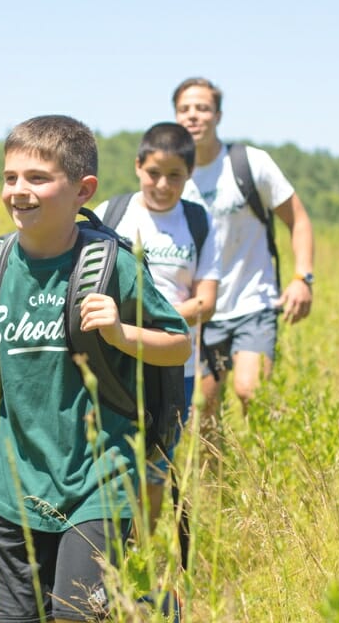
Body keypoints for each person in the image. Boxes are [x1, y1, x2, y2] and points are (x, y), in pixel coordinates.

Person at [0, 115, 190, 622]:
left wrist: (121, 333)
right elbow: (9, 362)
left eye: (38, 178)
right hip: (17, 484)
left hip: (99, 481)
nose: (19, 191)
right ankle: (150, 609)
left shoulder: (109, 264)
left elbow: (179, 344)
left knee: (77, 615)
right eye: (10, 178)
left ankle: (149, 608)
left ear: (83, 190)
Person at [92, 121, 220, 531]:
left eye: (175, 176)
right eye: (153, 173)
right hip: (114, 362)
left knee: (153, 472)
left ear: (189, 175)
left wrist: (148, 322)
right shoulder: (108, 215)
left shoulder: (198, 222)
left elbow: (206, 302)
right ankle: (101, 554)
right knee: (105, 464)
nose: (162, 185)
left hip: (174, 371)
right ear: (137, 166)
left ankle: (138, 561)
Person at [172, 76, 315, 442]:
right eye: (185, 109)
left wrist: (303, 278)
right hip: (201, 311)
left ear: (217, 115)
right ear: (175, 116)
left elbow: (297, 219)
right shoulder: (173, 177)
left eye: (202, 108)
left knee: (251, 391)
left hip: (254, 301)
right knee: (204, 412)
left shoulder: (250, 163)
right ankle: (219, 492)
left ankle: (271, 474)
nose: (194, 116)